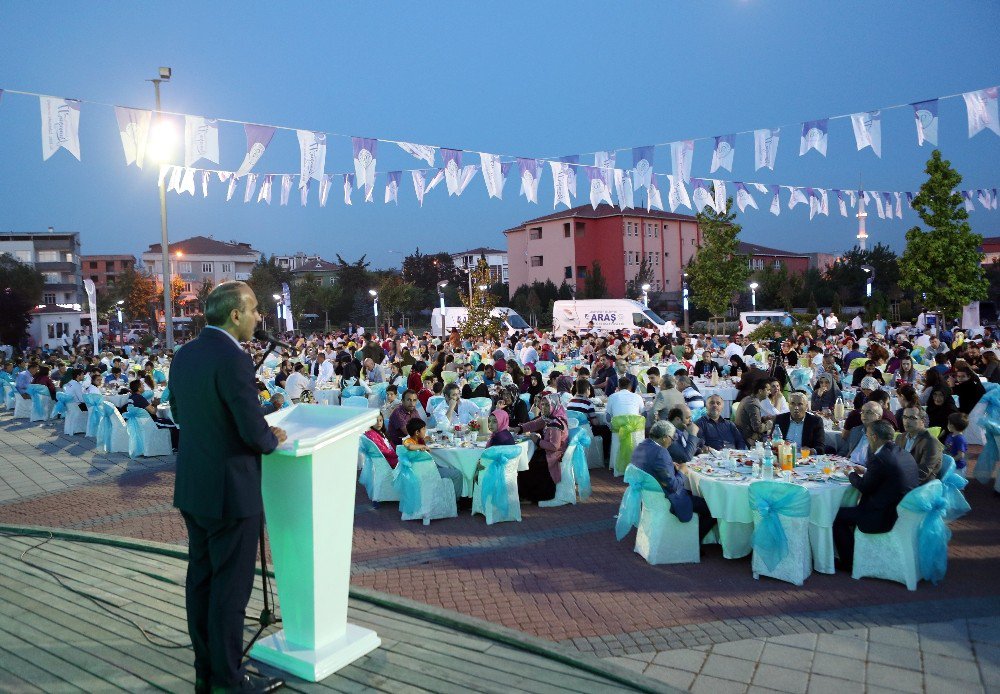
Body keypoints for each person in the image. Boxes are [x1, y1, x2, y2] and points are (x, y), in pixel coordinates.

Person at [169, 281, 287, 694]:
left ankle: (207, 673)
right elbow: (253, 430)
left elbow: (179, 412)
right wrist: (272, 437)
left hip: (194, 487)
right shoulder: (234, 358)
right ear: (235, 314)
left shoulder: (184, 354)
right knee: (230, 592)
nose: (259, 317)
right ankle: (229, 682)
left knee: (201, 582)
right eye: (254, 310)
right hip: (231, 493)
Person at [832, 420, 919, 571]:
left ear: (874, 437)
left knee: (835, 516)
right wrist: (866, 471)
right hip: (904, 512)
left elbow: (864, 487)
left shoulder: (879, 458)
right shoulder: (902, 452)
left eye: (867, 436)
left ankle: (849, 562)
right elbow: (888, 475)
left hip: (884, 515)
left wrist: (851, 473)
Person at [630, 420, 716, 541]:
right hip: (666, 499)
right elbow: (673, 486)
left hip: (648, 497)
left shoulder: (641, 445)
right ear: (665, 438)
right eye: (672, 438)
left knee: (693, 494)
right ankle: (693, 543)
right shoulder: (661, 452)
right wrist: (682, 472)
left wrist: (670, 465)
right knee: (712, 508)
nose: (673, 441)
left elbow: (653, 466)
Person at [515, 393, 568, 503]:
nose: (543, 407)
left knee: (527, 463)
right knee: (526, 459)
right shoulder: (548, 418)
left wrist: (538, 441)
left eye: (547, 405)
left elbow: (554, 446)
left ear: (554, 405)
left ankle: (535, 495)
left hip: (554, 455)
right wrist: (519, 429)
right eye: (542, 404)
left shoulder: (555, 424)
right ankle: (525, 494)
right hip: (547, 451)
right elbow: (534, 424)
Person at [896, 406, 943, 484]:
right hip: (900, 480)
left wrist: (899, 483)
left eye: (912, 418)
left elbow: (923, 472)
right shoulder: (900, 437)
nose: (907, 421)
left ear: (923, 421)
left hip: (921, 488)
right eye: (905, 417)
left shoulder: (931, 442)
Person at [841, 401, 884, 466]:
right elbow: (844, 451)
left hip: (866, 470)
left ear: (879, 417)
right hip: (848, 466)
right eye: (862, 412)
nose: (864, 414)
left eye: (869, 412)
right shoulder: (855, 430)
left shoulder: (882, 436)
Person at [735, 377, 773, 445]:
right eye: (768, 390)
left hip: (741, 434)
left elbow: (749, 420)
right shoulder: (753, 403)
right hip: (746, 439)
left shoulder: (748, 398)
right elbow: (757, 428)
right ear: (760, 391)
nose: (770, 392)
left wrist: (763, 419)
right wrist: (770, 424)